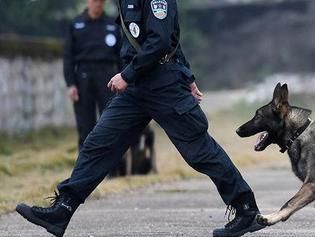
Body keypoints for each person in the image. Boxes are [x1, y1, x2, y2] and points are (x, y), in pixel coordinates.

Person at [16, 1, 265, 237]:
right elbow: (151, 39)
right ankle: (64, 208)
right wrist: (182, 74)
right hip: (137, 89)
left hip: (164, 86)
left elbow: (162, 40)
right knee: (99, 143)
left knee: (199, 151)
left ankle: (246, 209)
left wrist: (132, 74)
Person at [64, 0, 121, 150]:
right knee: (85, 125)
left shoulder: (112, 24)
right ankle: (84, 168)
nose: (98, 4)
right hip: (83, 76)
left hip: (108, 76)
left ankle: (113, 168)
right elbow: (68, 57)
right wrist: (70, 84)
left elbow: (122, 56)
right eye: (95, 0)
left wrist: (125, 80)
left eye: (101, 1)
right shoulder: (75, 24)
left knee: (110, 122)